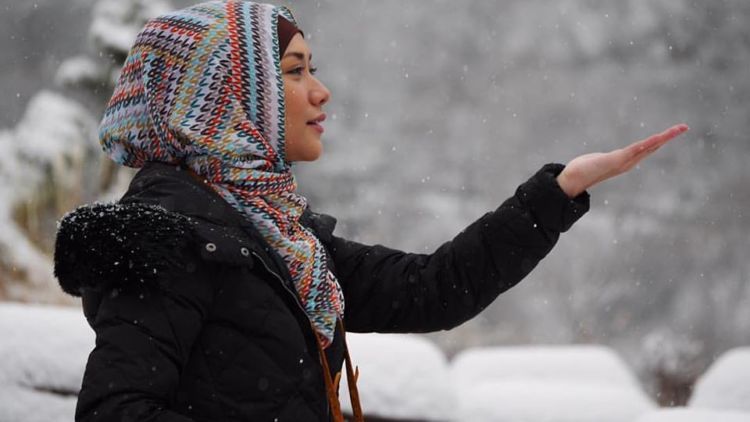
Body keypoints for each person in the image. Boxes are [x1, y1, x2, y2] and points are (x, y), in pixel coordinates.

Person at [53, 1, 688, 421]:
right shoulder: (168, 242)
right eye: (295, 71)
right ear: (228, 96)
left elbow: (431, 290)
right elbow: (115, 412)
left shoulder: (278, 240)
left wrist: (558, 192)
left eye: (314, 69)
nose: (321, 90)